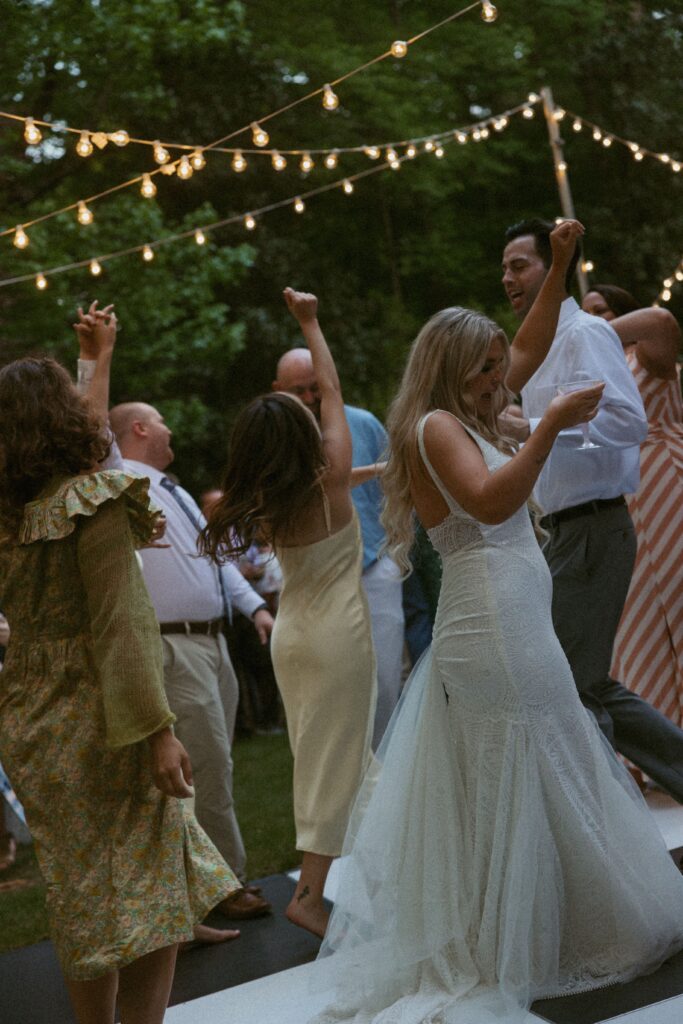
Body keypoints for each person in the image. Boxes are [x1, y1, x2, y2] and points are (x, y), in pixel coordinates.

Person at [282, 219, 683, 1024]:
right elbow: (491, 500)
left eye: (501, 368)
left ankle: (558, 921)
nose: (503, 380)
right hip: (489, 626)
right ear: (452, 371)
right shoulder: (436, 428)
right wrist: (551, 425)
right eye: (488, 370)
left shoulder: (476, 416)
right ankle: (515, 938)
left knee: (552, 746)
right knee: (526, 756)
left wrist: (559, 269)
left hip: (515, 617)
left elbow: (530, 349)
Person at [0, 335, 241, 1023]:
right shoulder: (94, 500)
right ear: (62, 419)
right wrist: (159, 733)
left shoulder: (9, 520)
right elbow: (121, 626)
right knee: (156, 883)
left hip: (30, 720)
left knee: (78, 891)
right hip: (105, 717)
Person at [201, 288, 377, 939]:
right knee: (336, 765)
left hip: (294, 638)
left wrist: (374, 469)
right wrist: (309, 319)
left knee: (341, 756)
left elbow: (330, 468)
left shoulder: (270, 495)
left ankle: (398, 864)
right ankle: (308, 894)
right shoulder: (327, 473)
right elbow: (329, 390)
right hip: (337, 638)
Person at [501, 217, 683, 800]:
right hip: (559, 533)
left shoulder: (585, 334)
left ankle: (605, 821)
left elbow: (629, 422)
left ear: (555, 266)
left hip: (594, 526)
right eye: (503, 269)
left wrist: (535, 426)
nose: (507, 277)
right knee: (587, 684)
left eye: (518, 264)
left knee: (569, 688)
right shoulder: (532, 351)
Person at [109, 401, 274, 920]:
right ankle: (224, 885)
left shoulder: (173, 489)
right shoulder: (121, 481)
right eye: (160, 420)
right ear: (138, 429)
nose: (170, 426)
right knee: (205, 767)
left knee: (213, 762)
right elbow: (98, 428)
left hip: (213, 642)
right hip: (173, 645)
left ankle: (198, 883)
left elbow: (216, 559)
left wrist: (255, 609)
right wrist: (99, 357)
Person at [273, 348, 404, 747]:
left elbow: (394, 486)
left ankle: (385, 771)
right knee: (329, 685)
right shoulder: (278, 437)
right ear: (279, 390)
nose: (311, 398)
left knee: (384, 680)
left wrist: (396, 547)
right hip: (315, 579)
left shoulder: (363, 424)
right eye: (300, 391)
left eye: (317, 388)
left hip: (375, 567)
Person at [582, 284, 683, 727]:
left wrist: (586, 331)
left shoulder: (645, 355)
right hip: (620, 496)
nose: (594, 321)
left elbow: (661, 321)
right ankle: (661, 743)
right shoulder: (591, 375)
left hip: (667, 483)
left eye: (601, 311)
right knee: (637, 618)